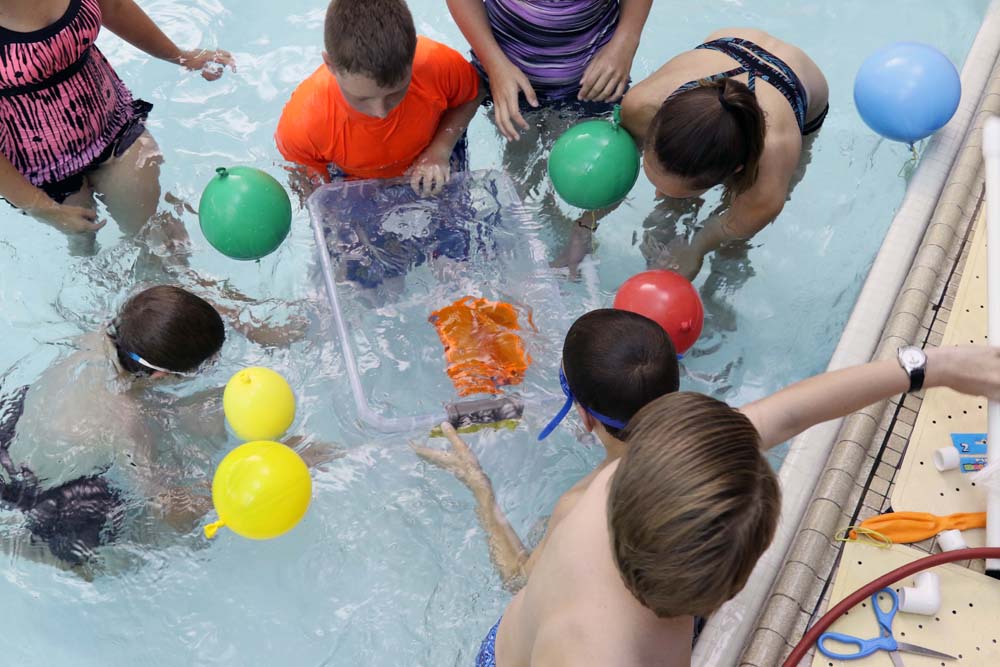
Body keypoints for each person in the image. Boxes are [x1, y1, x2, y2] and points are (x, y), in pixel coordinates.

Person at [424, 343, 1000, 666]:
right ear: (726, 589)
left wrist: (933, 368)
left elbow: (790, 414)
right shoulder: (592, 652)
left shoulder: (637, 475)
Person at [0, 285, 323, 572]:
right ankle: (38, 552)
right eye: (202, 367)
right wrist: (283, 464)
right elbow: (171, 508)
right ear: (159, 376)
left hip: (17, 426)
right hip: (47, 493)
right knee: (110, 555)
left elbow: (193, 297)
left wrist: (253, 325)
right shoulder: (127, 422)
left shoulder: (126, 323)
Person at [413, 308, 678, 589]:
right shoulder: (716, 430)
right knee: (542, 525)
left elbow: (519, 580)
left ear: (586, 417)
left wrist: (479, 487)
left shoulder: (582, 505)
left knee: (542, 528)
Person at [0, 0, 234, 237]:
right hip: (41, 168)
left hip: (113, 128)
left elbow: (114, 6)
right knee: (84, 247)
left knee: (156, 233)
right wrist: (41, 208)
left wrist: (181, 57)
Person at [619, 28, 829, 279]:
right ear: (653, 125)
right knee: (678, 185)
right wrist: (585, 224)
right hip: (733, 43)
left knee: (740, 234)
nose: (656, 190)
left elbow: (729, 226)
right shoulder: (640, 105)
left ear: (734, 169)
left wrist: (697, 248)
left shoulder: (774, 159)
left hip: (798, 86)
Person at [275, 0, 483, 197]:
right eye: (362, 99)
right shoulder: (303, 124)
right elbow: (315, 194)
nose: (381, 112)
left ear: (413, 56)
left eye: (395, 93)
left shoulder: (436, 64)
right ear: (331, 66)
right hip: (353, 179)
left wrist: (440, 149)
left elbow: (472, 96)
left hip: (433, 150)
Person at [446, 0, 652, 141]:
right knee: (520, 168)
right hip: (506, 77)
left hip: (596, 78)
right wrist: (494, 65)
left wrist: (626, 41)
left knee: (590, 170)